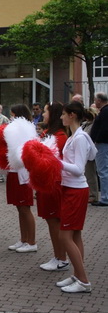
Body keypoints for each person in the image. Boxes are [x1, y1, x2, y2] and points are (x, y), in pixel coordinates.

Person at [56, 101, 97, 293]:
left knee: (65, 236)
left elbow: (79, 169)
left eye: (64, 114)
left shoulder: (79, 138)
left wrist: (55, 162)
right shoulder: (76, 136)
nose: (61, 117)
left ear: (72, 115)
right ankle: (77, 275)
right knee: (75, 234)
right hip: (71, 189)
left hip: (76, 190)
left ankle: (83, 280)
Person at [37, 102, 69, 271]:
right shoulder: (48, 133)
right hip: (45, 181)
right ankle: (57, 256)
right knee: (51, 221)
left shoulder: (59, 136)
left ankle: (61, 258)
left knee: (55, 220)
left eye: (46, 112)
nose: (43, 115)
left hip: (53, 182)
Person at [6, 104, 37, 253]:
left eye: (13, 115)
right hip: (13, 171)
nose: (11, 118)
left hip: (22, 173)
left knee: (25, 208)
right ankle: (23, 239)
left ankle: (32, 241)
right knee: (19, 207)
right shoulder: (15, 131)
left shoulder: (27, 130)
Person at [89, 92, 108, 206]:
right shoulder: (104, 111)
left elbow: (104, 128)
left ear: (99, 100)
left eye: (96, 100)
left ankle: (105, 198)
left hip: (102, 144)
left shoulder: (105, 112)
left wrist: (96, 139)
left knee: (102, 171)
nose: (95, 102)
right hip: (102, 143)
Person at [82, 107, 99, 203]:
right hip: (84, 152)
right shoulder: (84, 125)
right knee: (87, 174)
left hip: (89, 153)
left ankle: (94, 194)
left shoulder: (93, 126)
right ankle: (90, 193)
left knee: (91, 174)